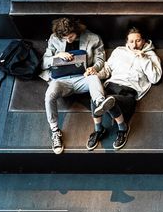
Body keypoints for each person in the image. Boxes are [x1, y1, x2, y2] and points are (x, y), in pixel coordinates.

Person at [41, 17, 114, 154]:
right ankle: (55, 131)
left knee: (93, 78)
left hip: (83, 78)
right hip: (61, 81)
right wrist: (57, 57)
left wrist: (94, 68)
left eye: (71, 36)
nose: (68, 40)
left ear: (77, 30)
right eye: (65, 38)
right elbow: (44, 63)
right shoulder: (54, 39)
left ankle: (100, 103)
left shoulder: (93, 38)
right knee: (49, 95)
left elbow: (100, 59)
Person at [91, 26, 162, 151]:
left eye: (138, 41)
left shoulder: (151, 56)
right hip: (111, 85)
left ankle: (123, 128)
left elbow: (155, 78)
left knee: (109, 100)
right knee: (94, 86)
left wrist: (144, 59)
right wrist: (95, 73)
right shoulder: (119, 51)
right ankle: (98, 128)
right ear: (126, 42)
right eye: (131, 41)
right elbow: (107, 70)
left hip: (128, 92)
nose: (134, 45)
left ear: (144, 41)